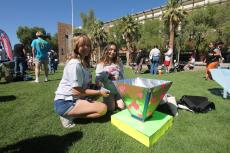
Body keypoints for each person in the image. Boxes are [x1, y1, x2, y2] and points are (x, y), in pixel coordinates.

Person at [54, 34, 108, 128]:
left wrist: (97, 87)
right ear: (76, 47)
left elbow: (85, 84)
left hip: (75, 98)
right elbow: (75, 91)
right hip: (65, 102)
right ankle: (68, 116)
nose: (86, 47)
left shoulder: (83, 63)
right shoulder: (75, 64)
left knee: (101, 90)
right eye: (82, 45)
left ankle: (80, 108)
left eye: (88, 45)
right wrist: (99, 91)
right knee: (103, 109)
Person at [95, 42, 125, 112]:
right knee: (111, 109)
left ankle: (115, 100)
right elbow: (97, 79)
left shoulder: (118, 61)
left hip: (118, 90)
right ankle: (107, 102)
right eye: (110, 49)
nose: (112, 52)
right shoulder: (101, 63)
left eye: (114, 50)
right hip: (109, 91)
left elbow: (122, 74)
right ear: (106, 50)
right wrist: (99, 84)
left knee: (122, 106)